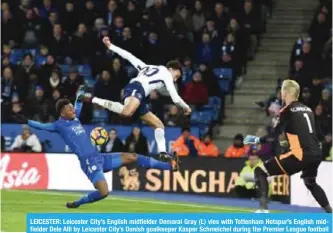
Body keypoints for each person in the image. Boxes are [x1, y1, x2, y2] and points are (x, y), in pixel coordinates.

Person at [13, 87, 180, 209]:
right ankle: (78, 203)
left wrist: (80, 94)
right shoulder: (58, 125)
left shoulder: (75, 118)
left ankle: (170, 165)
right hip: (88, 163)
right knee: (104, 192)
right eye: (69, 108)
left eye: (72, 107)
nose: (73, 109)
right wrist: (26, 121)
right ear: (62, 112)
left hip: (100, 157)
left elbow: (78, 102)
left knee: (133, 157)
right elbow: (42, 126)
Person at [80, 36, 191, 161]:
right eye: (177, 75)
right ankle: (92, 99)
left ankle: (163, 153)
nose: (175, 79)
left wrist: (111, 46)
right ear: (172, 69)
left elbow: (129, 56)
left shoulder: (146, 67)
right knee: (127, 112)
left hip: (140, 96)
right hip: (136, 88)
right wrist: (186, 107)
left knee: (159, 125)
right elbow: (175, 98)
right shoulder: (166, 74)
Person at [244, 79, 332, 213]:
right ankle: (330, 213)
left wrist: (256, 139)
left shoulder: (286, 110)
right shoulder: (307, 109)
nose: (281, 94)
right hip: (315, 153)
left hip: (300, 154)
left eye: (282, 91)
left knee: (260, 171)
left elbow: (274, 134)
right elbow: (303, 132)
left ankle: (263, 210)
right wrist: (285, 144)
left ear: (285, 93)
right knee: (310, 182)